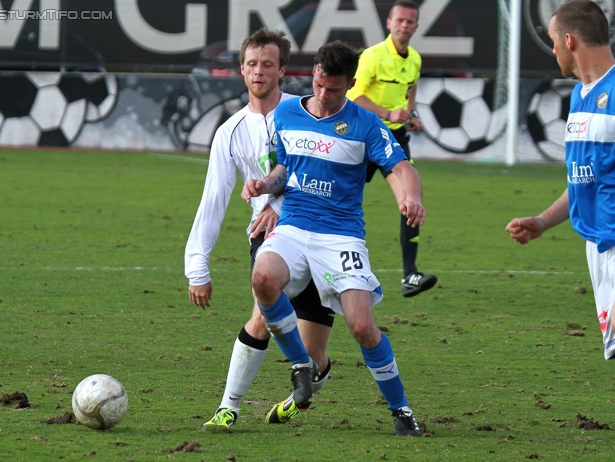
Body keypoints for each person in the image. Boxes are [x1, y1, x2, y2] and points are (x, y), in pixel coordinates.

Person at [242, 40, 425, 436]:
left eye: (335, 90)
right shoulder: (288, 111)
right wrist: (263, 184)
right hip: (293, 225)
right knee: (263, 279)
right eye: (320, 85)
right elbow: (281, 169)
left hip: (341, 237)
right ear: (313, 74)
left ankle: (402, 410)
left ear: (351, 84)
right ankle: (300, 366)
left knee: (362, 327)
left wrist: (411, 198)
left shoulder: (365, 124)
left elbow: (402, 167)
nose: (324, 96)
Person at [185, 28, 334, 431]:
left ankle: (299, 394)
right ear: (241, 69)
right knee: (261, 315)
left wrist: (280, 206)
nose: (258, 71)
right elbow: (213, 200)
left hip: (320, 231)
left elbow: (326, 171)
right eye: (252, 64)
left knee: (315, 358)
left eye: (267, 64)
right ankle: (228, 408)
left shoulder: (306, 113)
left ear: (282, 69)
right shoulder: (229, 131)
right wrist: (197, 266)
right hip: (269, 238)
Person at [506, 0, 615, 361]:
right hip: (598, 247)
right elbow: (584, 182)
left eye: (553, 40)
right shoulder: (581, 98)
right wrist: (543, 221)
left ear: (569, 41)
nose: (552, 49)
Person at [346, 0, 437, 298]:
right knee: (338, 200)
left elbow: (410, 91)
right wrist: (387, 113)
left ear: (416, 26)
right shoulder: (372, 56)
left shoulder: (415, 60)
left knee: (410, 202)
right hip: (361, 138)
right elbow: (354, 95)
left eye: (410, 22)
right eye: (399, 20)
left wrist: (410, 116)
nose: (404, 26)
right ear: (389, 23)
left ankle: (410, 275)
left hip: (394, 140)